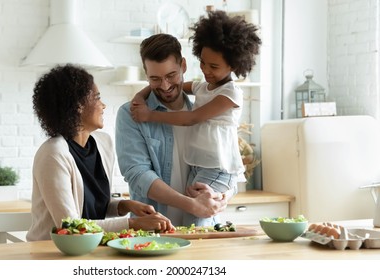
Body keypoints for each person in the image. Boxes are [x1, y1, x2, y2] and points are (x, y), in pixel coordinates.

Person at [130, 11, 262, 226]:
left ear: (234, 65)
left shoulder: (230, 94)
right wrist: (140, 95)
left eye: (214, 67)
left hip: (218, 168)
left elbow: (192, 118)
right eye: (203, 63)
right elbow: (176, 85)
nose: (206, 71)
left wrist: (149, 115)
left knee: (197, 218)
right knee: (195, 215)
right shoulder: (203, 87)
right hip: (202, 167)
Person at [26, 64, 173, 241]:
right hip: (52, 253)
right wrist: (132, 224)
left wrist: (125, 205)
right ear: (78, 105)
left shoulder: (103, 143)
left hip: (93, 247)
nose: (103, 105)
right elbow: (70, 226)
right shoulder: (53, 154)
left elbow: (93, 208)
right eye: (97, 98)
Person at [115, 33, 229, 227]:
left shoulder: (204, 112)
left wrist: (224, 195)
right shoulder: (131, 114)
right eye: (155, 79)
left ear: (183, 66)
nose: (165, 86)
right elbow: (137, 174)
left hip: (203, 229)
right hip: (153, 233)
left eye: (171, 75)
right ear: (146, 74)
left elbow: (225, 164)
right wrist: (192, 205)